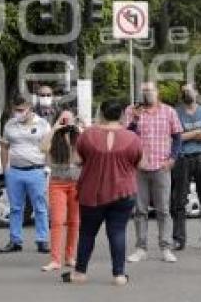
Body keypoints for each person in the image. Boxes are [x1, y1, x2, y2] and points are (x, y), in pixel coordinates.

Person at [62, 100, 142, 286]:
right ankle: (119, 275)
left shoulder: (87, 136)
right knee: (118, 232)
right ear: (122, 115)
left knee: (87, 233)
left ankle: (80, 273)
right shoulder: (132, 138)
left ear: (101, 114)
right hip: (123, 191)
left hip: (92, 192)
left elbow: (76, 160)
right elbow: (142, 164)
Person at [124, 81, 184, 264]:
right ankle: (141, 248)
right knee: (140, 210)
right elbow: (126, 136)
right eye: (143, 91)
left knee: (163, 210)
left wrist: (173, 158)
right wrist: (135, 119)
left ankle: (165, 247)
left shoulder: (169, 111)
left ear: (157, 92)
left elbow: (178, 136)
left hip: (161, 166)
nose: (147, 94)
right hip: (139, 167)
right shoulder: (131, 111)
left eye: (150, 90)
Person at [0, 94, 52, 254]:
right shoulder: (10, 124)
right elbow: (4, 147)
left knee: (40, 208)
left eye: (21, 110)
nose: (18, 113)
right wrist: (5, 170)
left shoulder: (42, 124)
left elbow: (48, 147)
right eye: (16, 110)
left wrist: (47, 168)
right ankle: (15, 240)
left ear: (30, 108)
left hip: (36, 170)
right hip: (15, 171)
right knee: (15, 208)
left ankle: (42, 240)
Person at [172, 84, 201, 252]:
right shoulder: (176, 112)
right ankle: (179, 239)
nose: (187, 93)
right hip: (182, 158)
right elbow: (175, 138)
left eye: (190, 90)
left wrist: (187, 135)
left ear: (197, 93)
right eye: (184, 91)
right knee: (179, 201)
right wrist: (195, 132)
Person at [42, 109, 82, 272]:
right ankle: (55, 260)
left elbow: (88, 152)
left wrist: (80, 128)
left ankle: (70, 257)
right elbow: (43, 148)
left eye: (69, 117)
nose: (66, 120)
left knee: (74, 221)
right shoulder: (55, 136)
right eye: (63, 118)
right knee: (58, 220)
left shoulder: (78, 137)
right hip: (57, 183)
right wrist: (55, 128)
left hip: (76, 183)